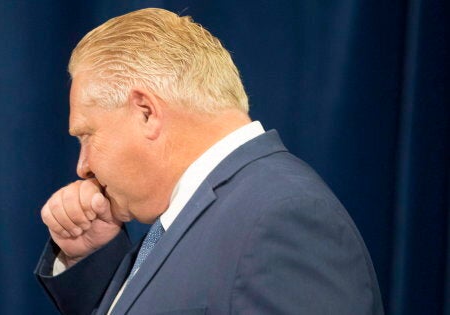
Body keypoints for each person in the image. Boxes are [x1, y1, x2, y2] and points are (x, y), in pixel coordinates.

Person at [35, 8, 384, 315]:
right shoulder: (213, 213)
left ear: (146, 113)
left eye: (87, 135)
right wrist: (94, 257)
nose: (83, 167)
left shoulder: (282, 217)